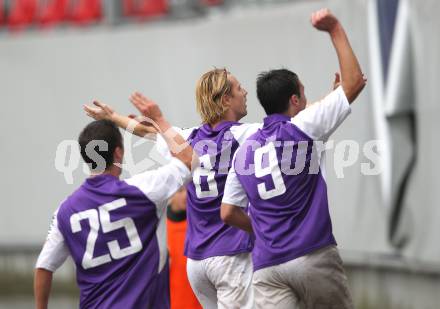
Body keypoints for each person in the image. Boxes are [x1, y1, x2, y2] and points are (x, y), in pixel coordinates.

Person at [220, 8, 366, 309]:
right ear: (295, 101)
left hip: (268, 266)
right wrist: (335, 29)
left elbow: (228, 212)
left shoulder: (244, 150)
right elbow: (354, 82)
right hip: (313, 254)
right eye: (303, 93)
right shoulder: (303, 128)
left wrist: (259, 230)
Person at [84, 72, 260, 308]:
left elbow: (150, 131)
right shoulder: (247, 134)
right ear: (226, 100)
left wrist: (113, 117)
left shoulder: (189, 137)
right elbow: (295, 123)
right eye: (239, 88)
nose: (245, 92)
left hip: (197, 261)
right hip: (231, 253)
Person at [34, 97, 195, 309]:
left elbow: (44, 267)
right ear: (119, 152)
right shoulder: (143, 190)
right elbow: (188, 158)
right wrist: (158, 122)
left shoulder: (65, 210)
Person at [167, 188, 202, 309]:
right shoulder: (159, 229)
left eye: (189, 190)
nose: (186, 195)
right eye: (180, 191)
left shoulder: (202, 226)